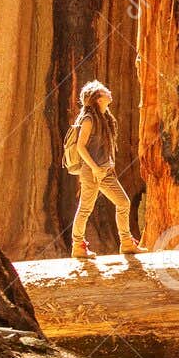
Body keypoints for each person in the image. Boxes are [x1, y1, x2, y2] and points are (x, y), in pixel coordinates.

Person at [63, 80, 146, 258]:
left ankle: (126, 243)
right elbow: (80, 147)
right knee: (85, 208)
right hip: (92, 171)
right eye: (104, 92)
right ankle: (78, 246)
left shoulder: (105, 117)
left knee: (123, 203)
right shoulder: (89, 119)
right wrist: (94, 168)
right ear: (97, 98)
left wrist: (106, 167)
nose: (109, 92)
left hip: (104, 171)